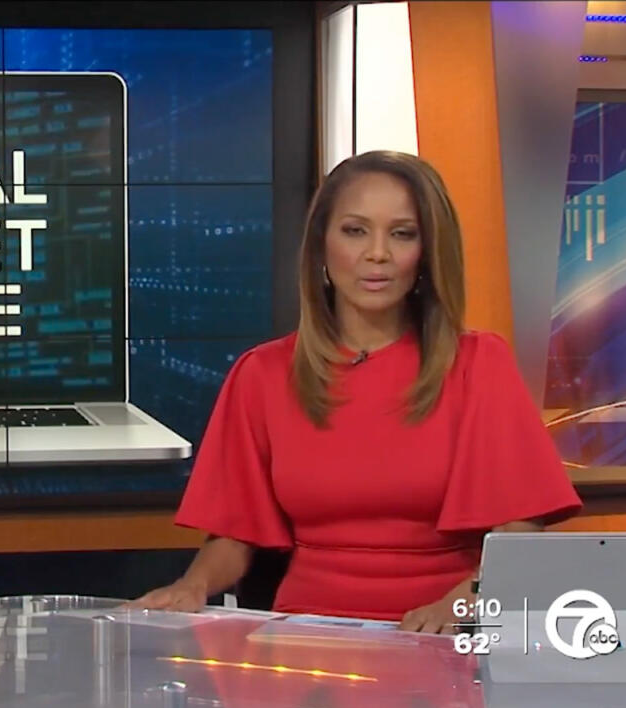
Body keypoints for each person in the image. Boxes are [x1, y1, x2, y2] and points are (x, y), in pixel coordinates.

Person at [129, 150, 582, 632]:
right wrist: (193, 586)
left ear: (427, 251)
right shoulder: (262, 374)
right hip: (306, 643)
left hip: (440, 639)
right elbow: (234, 538)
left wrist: (466, 600)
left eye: (402, 234)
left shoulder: (477, 364)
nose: (378, 254)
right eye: (355, 230)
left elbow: (520, 528)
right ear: (322, 245)